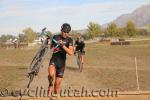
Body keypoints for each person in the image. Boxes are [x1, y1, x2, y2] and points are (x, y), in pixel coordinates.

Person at [48, 23, 74, 97]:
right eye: (64, 31)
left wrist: (63, 46)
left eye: (67, 32)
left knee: (57, 85)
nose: (65, 33)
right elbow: (50, 47)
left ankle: (56, 96)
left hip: (62, 64)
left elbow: (71, 52)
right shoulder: (55, 37)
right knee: (51, 74)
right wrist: (48, 42)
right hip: (54, 60)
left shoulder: (69, 40)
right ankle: (50, 84)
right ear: (61, 30)